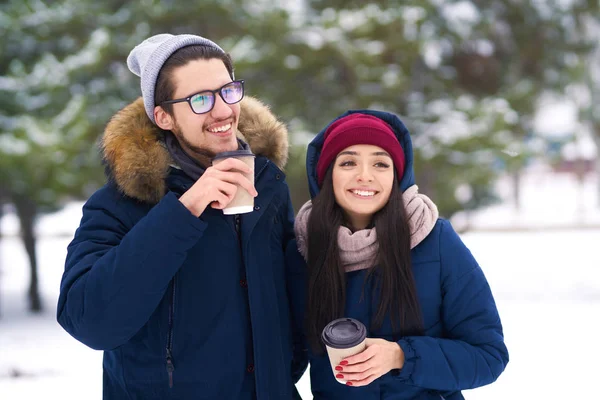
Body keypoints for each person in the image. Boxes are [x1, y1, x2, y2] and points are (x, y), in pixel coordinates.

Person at [57, 33, 306, 399]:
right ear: (163, 116)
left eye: (228, 90)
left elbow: (291, 303)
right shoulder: (121, 203)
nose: (222, 111)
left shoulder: (268, 187)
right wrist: (184, 211)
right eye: (200, 99)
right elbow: (91, 323)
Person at [287, 111, 509, 399]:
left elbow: (488, 356)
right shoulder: (303, 250)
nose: (364, 175)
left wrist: (401, 356)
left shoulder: (437, 242)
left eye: (380, 163)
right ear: (326, 175)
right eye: (348, 162)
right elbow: (281, 360)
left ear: (398, 175)